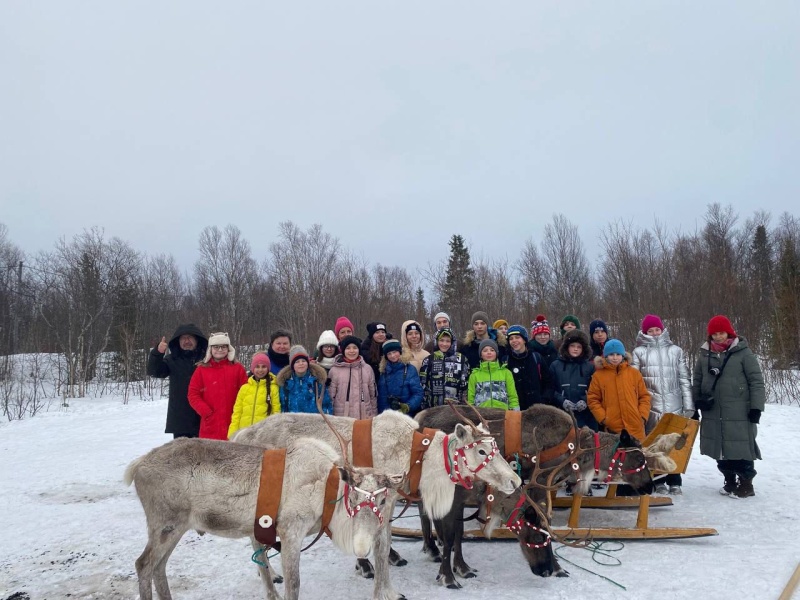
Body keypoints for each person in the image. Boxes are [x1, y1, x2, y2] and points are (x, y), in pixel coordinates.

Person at [692, 315, 765, 499]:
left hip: (739, 411)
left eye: (722, 333)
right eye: (714, 334)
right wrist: (696, 402)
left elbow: (756, 382)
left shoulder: (743, 353)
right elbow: (697, 381)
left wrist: (756, 408)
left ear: (729, 332)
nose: (718, 337)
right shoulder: (704, 354)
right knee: (720, 447)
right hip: (713, 411)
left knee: (741, 447)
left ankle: (746, 484)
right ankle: (730, 480)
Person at [631, 314, 694, 495]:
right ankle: (658, 479)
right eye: (650, 330)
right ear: (645, 332)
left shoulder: (676, 351)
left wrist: (688, 404)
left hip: (674, 405)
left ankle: (675, 480)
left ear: (662, 329)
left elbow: (684, 378)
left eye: (657, 329)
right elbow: (635, 383)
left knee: (674, 443)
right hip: (652, 407)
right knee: (655, 444)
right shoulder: (639, 352)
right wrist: (638, 408)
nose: (655, 333)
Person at [147, 323, 208, 438]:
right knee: (182, 454)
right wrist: (157, 353)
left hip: (204, 415)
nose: (187, 341)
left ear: (197, 340)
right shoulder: (172, 359)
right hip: (181, 418)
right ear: (178, 341)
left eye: (190, 337)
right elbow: (155, 372)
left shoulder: (207, 359)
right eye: (183, 338)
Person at [187, 332, 248, 440]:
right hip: (210, 424)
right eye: (216, 347)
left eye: (223, 346)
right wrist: (206, 412)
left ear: (228, 348)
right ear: (210, 349)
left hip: (233, 421)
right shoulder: (201, 370)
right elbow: (193, 394)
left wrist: (239, 411)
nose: (220, 350)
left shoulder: (238, 368)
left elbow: (246, 393)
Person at [587, 339, 651, 442]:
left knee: (639, 456)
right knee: (617, 457)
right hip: (613, 429)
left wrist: (642, 416)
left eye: (618, 354)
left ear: (623, 355)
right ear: (606, 356)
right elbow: (593, 400)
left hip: (635, 427)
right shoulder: (598, 376)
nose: (615, 357)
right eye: (611, 354)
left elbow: (644, 396)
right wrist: (604, 418)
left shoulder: (634, 373)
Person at [549, 329, 598, 430]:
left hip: (585, 416)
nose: (575, 349)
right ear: (566, 347)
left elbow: (595, 390)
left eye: (579, 347)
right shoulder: (555, 365)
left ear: (584, 349)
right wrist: (562, 401)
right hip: (563, 414)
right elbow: (550, 389)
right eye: (572, 346)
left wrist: (585, 401)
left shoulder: (589, 367)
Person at [227, 352, 281, 438]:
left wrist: (273, 434)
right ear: (252, 368)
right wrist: (232, 433)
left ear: (268, 368)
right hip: (244, 432)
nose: (260, 370)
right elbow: (237, 412)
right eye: (257, 366)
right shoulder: (244, 388)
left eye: (263, 366)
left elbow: (276, 413)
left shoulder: (273, 388)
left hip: (263, 434)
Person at [328, 335, 378, 418]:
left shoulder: (367, 369)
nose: (352, 351)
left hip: (365, 416)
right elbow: (330, 397)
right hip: (342, 417)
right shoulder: (334, 371)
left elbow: (373, 396)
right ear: (343, 350)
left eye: (355, 347)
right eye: (348, 348)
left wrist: (374, 415)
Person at [505, 325, 553, 410]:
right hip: (516, 410)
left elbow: (548, 382)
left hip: (537, 409)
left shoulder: (536, 358)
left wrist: (544, 400)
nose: (514, 341)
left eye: (517, 337)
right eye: (511, 339)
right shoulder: (506, 361)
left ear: (524, 340)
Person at [419, 328, 470, 408]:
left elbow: (465, 386)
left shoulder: (462, 360)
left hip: (455, 409)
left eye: (447, 341)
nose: (444, 344)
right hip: (433, 407)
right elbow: (423, 384)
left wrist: (464, 406)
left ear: (452, 342)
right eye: (441, 340)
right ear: (437, 341)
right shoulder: (428, 360)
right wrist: (424, 405)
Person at [278, 345, 332, 414]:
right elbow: (282, 406)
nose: (301, 364)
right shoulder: (286, 384)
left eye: (303, 361)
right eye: (297, 362)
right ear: (292, 365)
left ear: (307, 363)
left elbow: (326, 404)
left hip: (314, 422)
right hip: (292, 422)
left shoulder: (317, 381)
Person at [467, 339, 519, 411]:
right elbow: (470, 398)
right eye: (485, 350)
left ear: (496, 353)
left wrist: (515, 411)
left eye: (492, 350)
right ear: (481, 355)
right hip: (482, 414)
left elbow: (512, 396)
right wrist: (471, 413)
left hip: (503, 413)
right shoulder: (474, 375)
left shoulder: (506, 373)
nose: (489, 353)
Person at [377, 339, 423, 415]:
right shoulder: (383, 372)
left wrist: (408, 406)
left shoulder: (410, 370)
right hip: (388, 415)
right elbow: (382, 398)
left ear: (400, 352)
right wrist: (383, 414)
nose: (392, 356)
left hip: (407, 415)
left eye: (395, 352)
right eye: (389, 353)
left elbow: (418, 393)